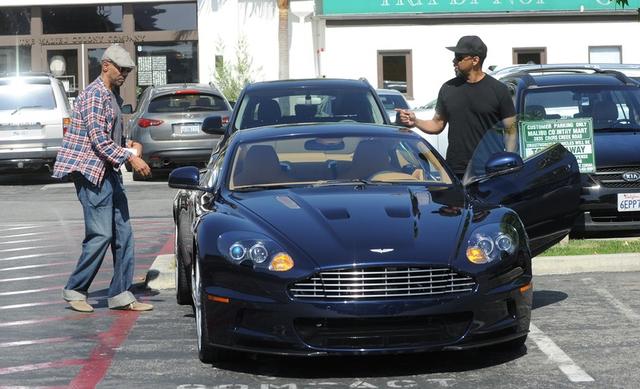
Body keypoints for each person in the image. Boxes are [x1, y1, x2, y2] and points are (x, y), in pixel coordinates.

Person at [52, 44, 153, 313]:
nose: (125, 74)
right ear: (106, 65)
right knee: (101, 234)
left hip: (109, 172)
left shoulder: (112, 96)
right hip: (90, 173)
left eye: (128, 70)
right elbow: (99, 142)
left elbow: (113, 139)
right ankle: (75, 289)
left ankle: (121, 294)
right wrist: (131, 156)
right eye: (122, 69)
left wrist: (130, 145)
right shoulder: (94, 95)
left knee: (124, 234)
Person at [397, 35, 517, 178]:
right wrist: (415, 121)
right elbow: (437, 124)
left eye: (459, 57)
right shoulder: (448, 88)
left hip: (490, 170)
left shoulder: (498, 90)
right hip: (456, 171)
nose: (454, 61)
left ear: (475, 60)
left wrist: (509, 164)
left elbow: (511, 130)